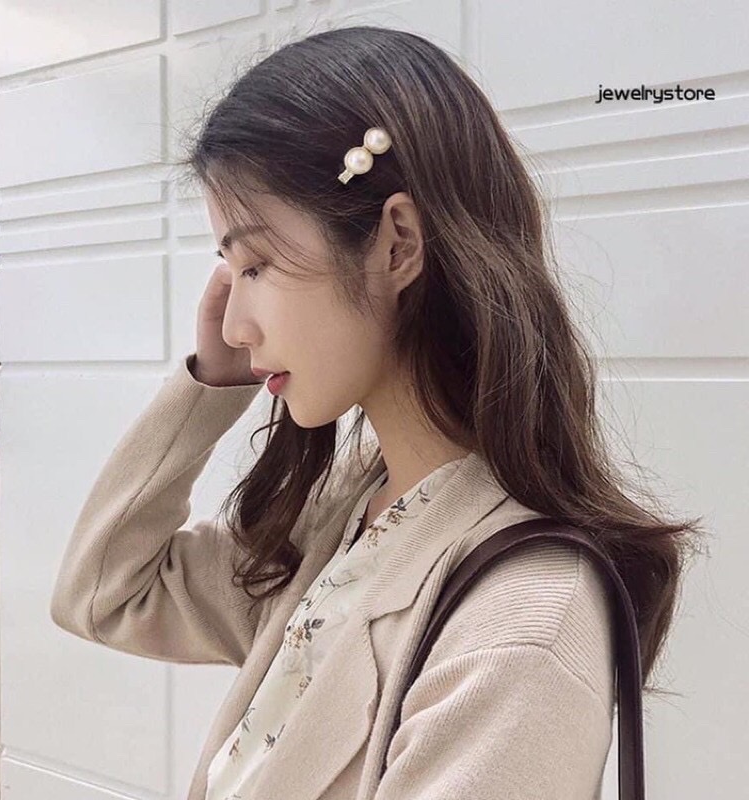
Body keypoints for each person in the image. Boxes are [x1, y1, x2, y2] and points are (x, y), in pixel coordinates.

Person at [49, 26, 707, 800]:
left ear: (397, 244)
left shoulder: (517, 628)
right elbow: (105, 594)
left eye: (256, 263)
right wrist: (209, 384)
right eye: (229, 269)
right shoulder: (349, 515)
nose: (234, 324)